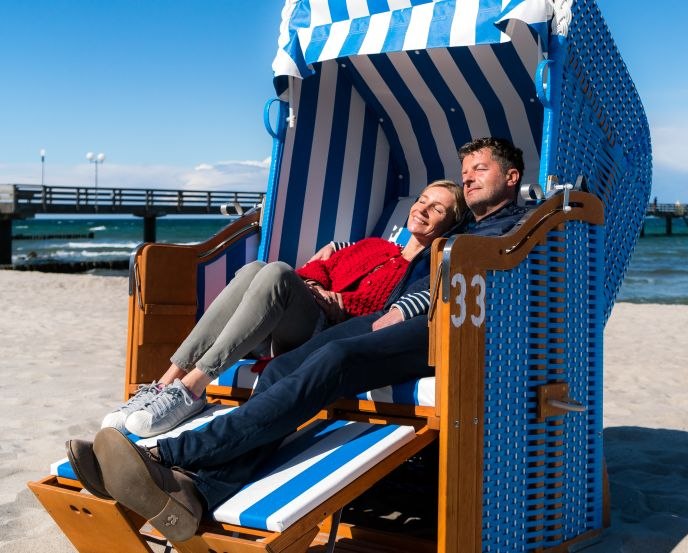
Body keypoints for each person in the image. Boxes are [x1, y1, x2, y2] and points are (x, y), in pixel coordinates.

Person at [67, 137, 530, 543]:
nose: (469, 179)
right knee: (286, 367)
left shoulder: (521, 228)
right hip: (406, 318)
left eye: (479, 170)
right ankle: (198, 492)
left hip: (447, 332)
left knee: (335, 356)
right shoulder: (464, 229)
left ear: (511, 178)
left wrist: (399, 308)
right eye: (465, 171)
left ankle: (169, 453)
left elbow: (456, 285)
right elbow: (416, 279)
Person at [102, 180, 466, 438]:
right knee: (254, 270)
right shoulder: (371, 246)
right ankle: (166, 383)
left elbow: (375, 313)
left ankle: (193, 389)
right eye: (422, 200)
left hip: (324, 335)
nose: (423, 209)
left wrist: (333, 302)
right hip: (292, 319)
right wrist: (315, 286)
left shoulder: (418, 273)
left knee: (274, 271)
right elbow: (319, 268)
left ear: (449, 223)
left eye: (438, 208)